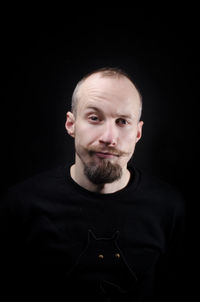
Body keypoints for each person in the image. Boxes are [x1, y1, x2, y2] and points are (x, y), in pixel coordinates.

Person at [0, 67, 185, 301]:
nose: (109, 137)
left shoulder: (169, 207)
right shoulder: (21, 205)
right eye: (94, 118)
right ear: (71, 124)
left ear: (138, 133)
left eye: (122, 121)